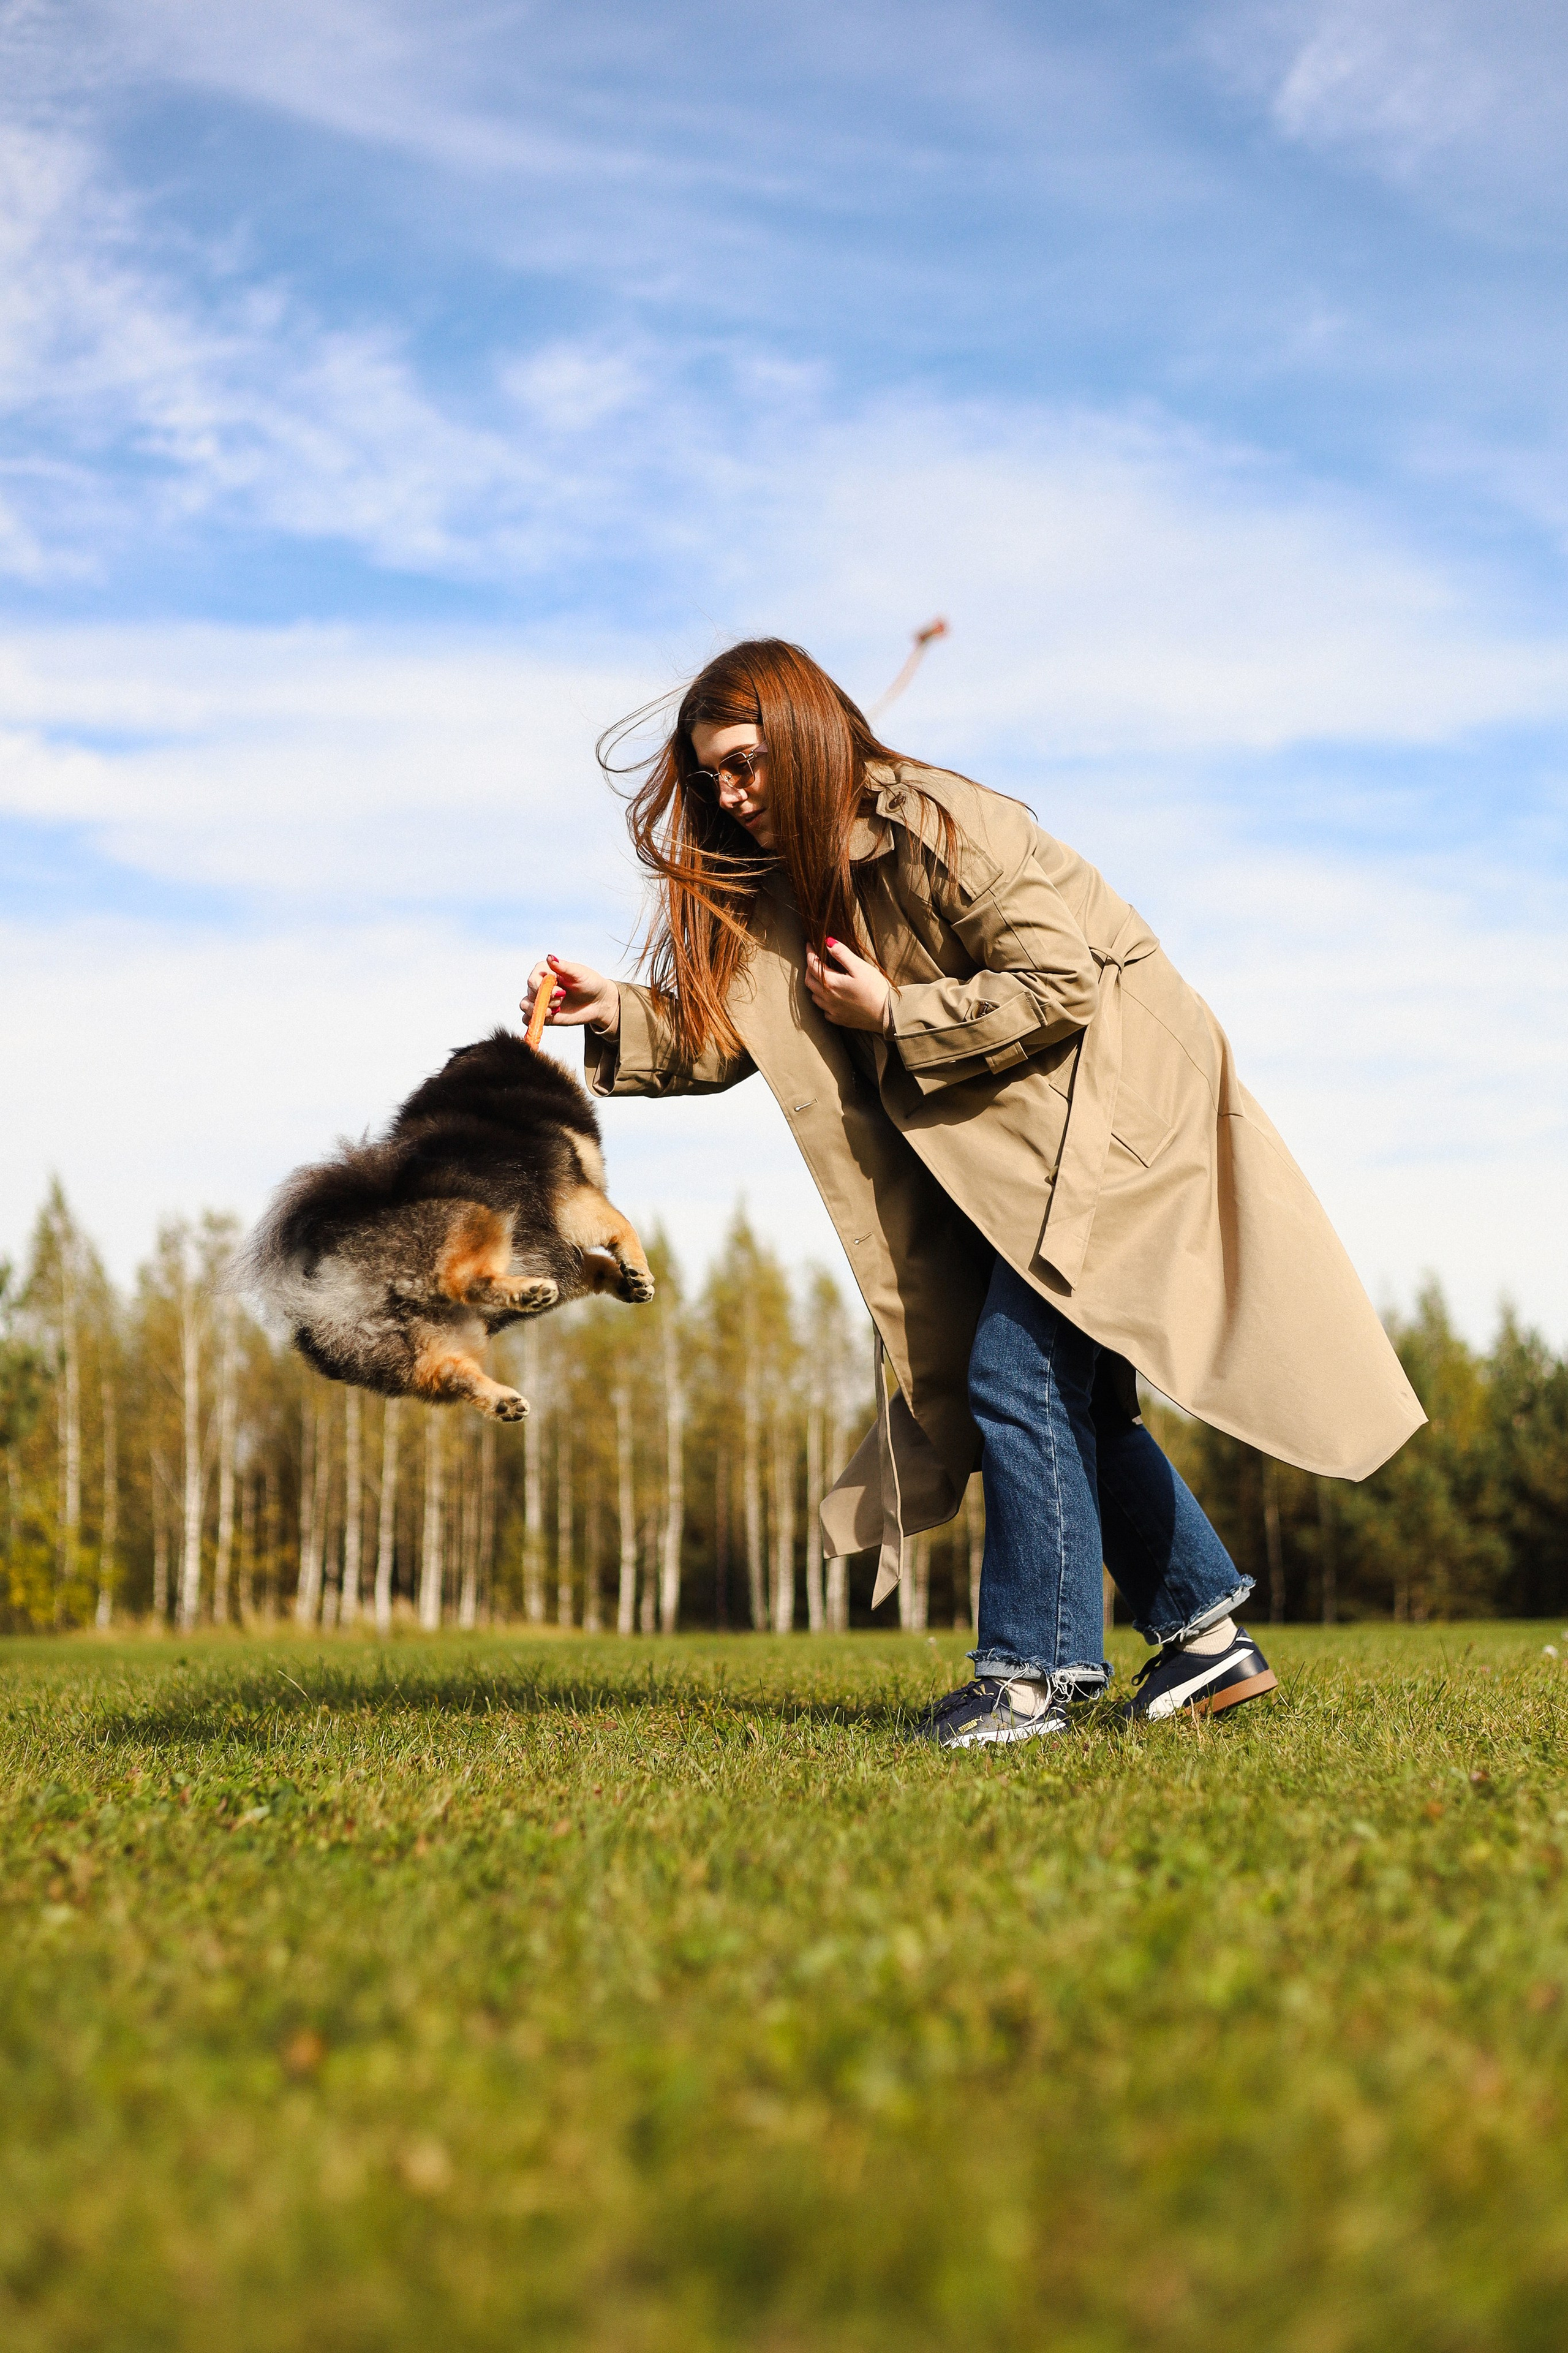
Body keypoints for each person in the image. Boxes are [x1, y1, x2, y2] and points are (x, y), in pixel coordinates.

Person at [523, 640, 1423, 1747]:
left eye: (747, 762)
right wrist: (618, 1007)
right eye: (712, 776)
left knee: (1013, 1372)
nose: (730, 793)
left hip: (1111, 1122)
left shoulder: (945, 824)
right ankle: (1203, 1640)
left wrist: (896, 1015)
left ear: (807, 739)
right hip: (1017, 1158)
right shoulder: (788, 883)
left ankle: (1036, 1674)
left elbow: (1063, 982)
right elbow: (745, 1033)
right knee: (1071, 1397)